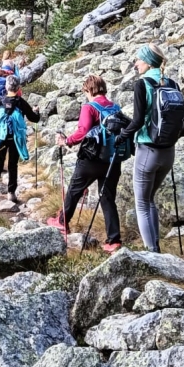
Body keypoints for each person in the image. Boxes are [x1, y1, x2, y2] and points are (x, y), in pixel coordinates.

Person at [48, 74, 128, 253]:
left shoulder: (89, 107)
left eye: (85, 91)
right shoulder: (116, 107)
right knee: (107, 198)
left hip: (91, 159)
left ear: (89, 89)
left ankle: (62, 222)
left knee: (75, 190)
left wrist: (66, 141)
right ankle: (114, 240)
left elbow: (83, 131)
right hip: (113, 160)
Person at [119, 43, 176, 254]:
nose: (135, 64)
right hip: (168, 152)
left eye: (138, 60)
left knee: (141, 204)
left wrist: (122, 136)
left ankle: (151, 253)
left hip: (147, 151)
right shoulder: (172, 84)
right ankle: (156, 248)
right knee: (150, 199)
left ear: (148, 61)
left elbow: (137, 121)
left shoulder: (142, 85)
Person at [0, 75, 41, 202]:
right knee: (12, 165)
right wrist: (36, 111)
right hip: (15, 138)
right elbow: (34, 119)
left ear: (6, 87)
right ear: (18, 88)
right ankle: (11, 193)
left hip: (0, 137)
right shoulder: (21, 102)